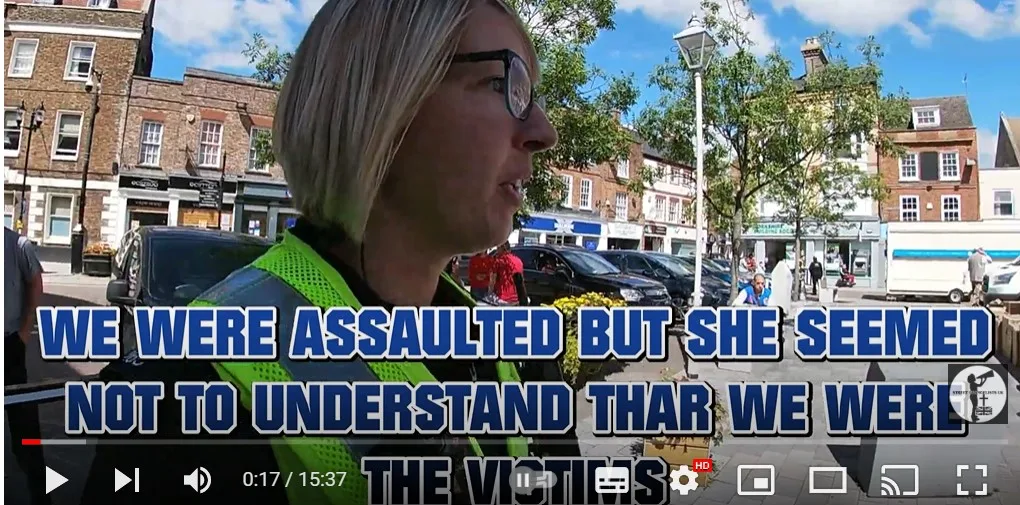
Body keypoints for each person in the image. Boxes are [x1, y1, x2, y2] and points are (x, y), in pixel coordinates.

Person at [80, 1, 558, 503]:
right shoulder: (185, 396)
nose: (542, 133)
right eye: (506, 85)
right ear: (380, 101)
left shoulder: (513, 359)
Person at [4, 227, 48, 505]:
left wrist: (23, 333)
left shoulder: (17, 245)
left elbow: (35, 283)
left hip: (7, 346)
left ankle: (40, 495)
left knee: (23, 425)